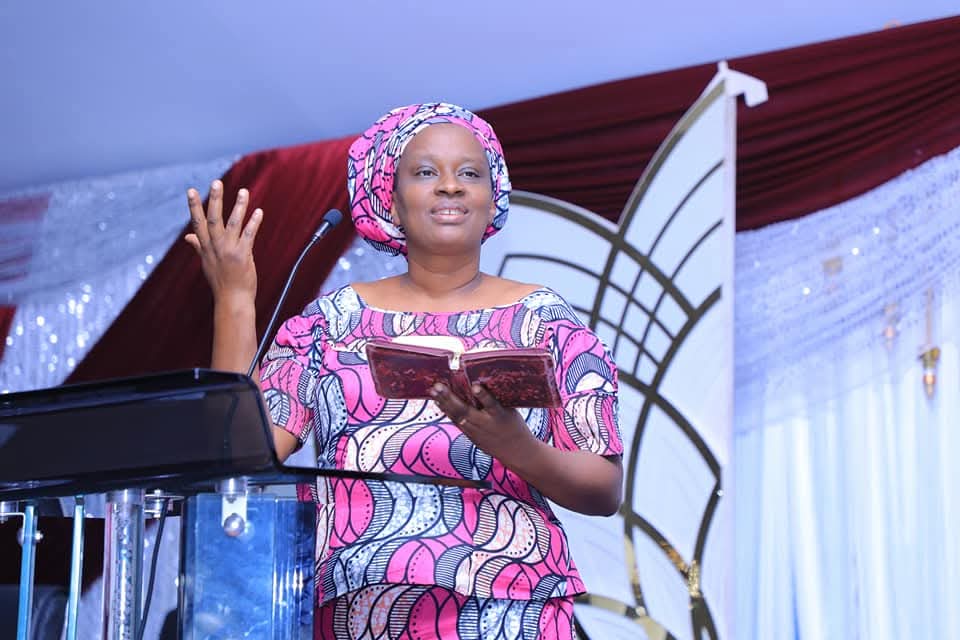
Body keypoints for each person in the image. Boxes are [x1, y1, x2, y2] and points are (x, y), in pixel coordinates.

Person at [185, 102, 624, 640]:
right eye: (425, 172)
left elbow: (604, 490)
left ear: (494, 199)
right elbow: (237, 458)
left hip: (512, 610)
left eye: (470, 173)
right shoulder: (330, 322)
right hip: (355, 613)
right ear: (389, 201)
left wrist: (516, 447)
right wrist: (234, 299)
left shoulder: (545, 320)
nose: (450, 186)